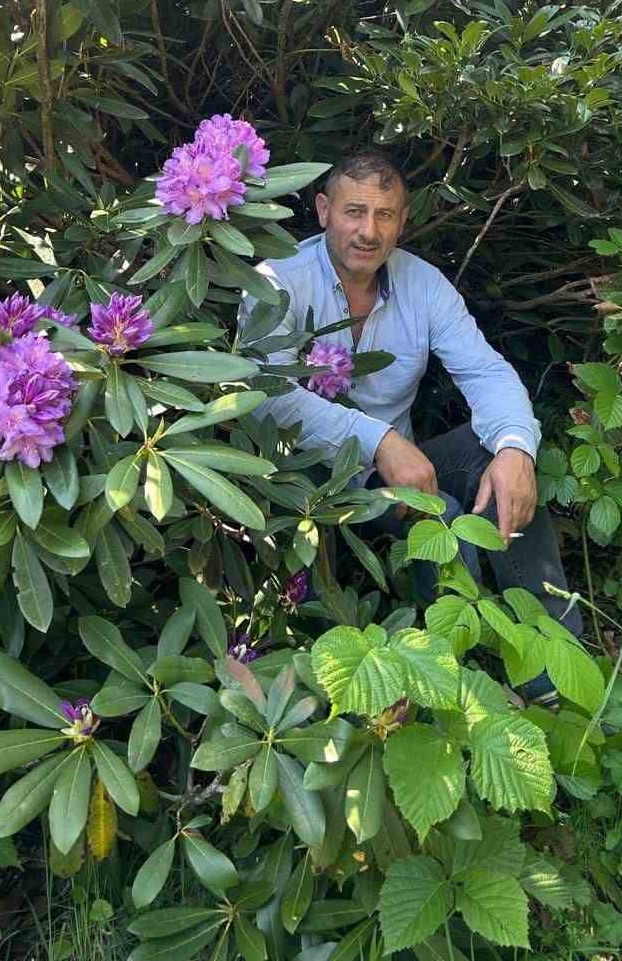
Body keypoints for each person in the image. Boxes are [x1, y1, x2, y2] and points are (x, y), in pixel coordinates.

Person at [239, 146, 583, 702]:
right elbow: (265, 396)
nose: (368, 231)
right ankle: (456, 688)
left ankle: (555, 676)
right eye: (354, 211)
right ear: (323, 209)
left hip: (401, 474)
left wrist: (516, 449)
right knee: (441, 516)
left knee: (499, 461)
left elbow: (488, 372)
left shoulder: (423, 286)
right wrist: (378, 441)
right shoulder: (277, 282)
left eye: (384, 215)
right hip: (296, 484)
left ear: (402, 221)